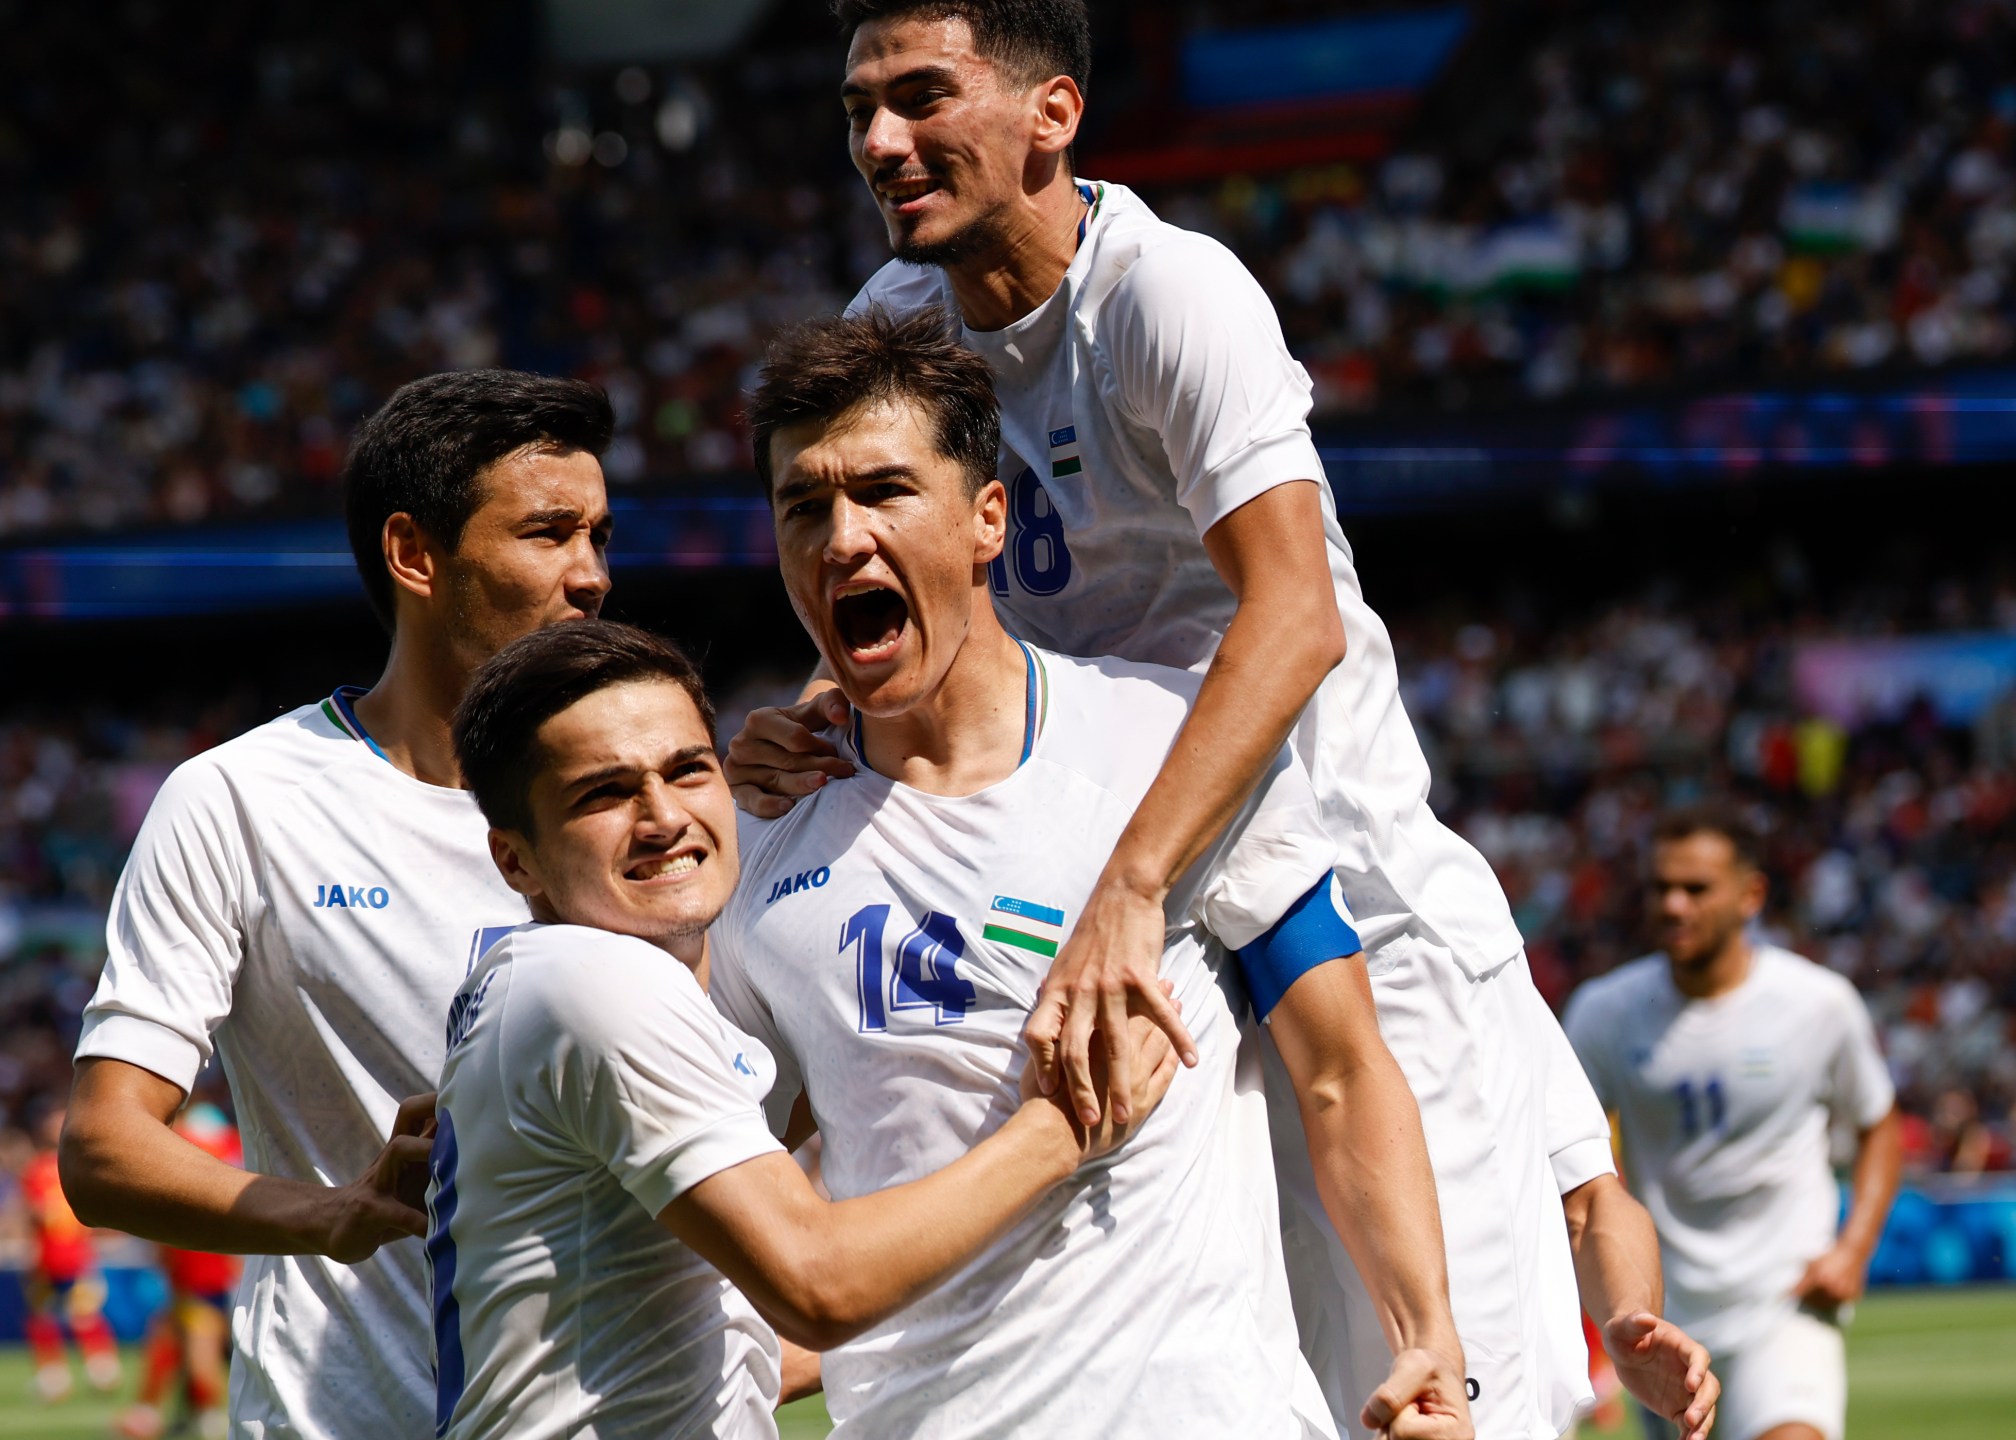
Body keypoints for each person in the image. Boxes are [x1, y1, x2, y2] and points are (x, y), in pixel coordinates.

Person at [725, 5, 1712, 1435]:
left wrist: (1134, 882)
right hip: (1123, 901)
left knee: (1446, 1399)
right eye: (859, 109)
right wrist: (818, 709)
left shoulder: (1165, 296)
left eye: (923, 97)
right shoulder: (892, 324)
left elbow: (1293, 616)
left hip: (1333, 905)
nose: (881, 141)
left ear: (1051, 114)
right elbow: (914, 579)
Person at [713, 308, 1470, 1438]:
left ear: (986, 519)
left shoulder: (1171, 745)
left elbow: (1340, 1067)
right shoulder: (751, 836)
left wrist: (1424, 1337)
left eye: (882, 492)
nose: (840, 538)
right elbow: (727, 1178)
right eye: (802, 507)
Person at [428, 618, 1177, 1440]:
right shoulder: (595, 980)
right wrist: (1064, 1129)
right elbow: (820, 1285)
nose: (662, 817)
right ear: (516, 861)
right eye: (603, 794)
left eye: (688, 770)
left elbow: (702, 1337)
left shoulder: (552, 984)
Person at [60, 368, 616, 1437]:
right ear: (415, 555)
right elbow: (104, 1148)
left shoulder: (659, 800)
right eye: (548, 534)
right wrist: (334, 1216)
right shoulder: (241, 800)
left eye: (598, 535)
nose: (589, 575)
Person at [1565, 807, 1903, 1440]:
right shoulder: (1604, 1013)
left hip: (1786, 1301)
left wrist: (1853, 1249)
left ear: (1751, 895)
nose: (1673, 904)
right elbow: (1559, 1153)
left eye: (1695, 888)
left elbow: (1879, 1124)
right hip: (1665, 1312)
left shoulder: (1817, 1004)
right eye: (1660, 887)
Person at [117, 1102, 246, 1440]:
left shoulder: (194, 1169)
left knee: (197, 1348)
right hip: (212, 1277)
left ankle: (206, 1418)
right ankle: (174, 1413)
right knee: (173, 1337)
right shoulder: (227, 1163)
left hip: (203, 1279)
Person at [20, 1105, 121, 1402]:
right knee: (52, 1315)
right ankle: (78, 1373)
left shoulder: (47, 1168)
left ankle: (85, 1371)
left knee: (69, 1315)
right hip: (54, 1255)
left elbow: (37, 1213)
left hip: (71, 1255)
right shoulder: (50, 1167)